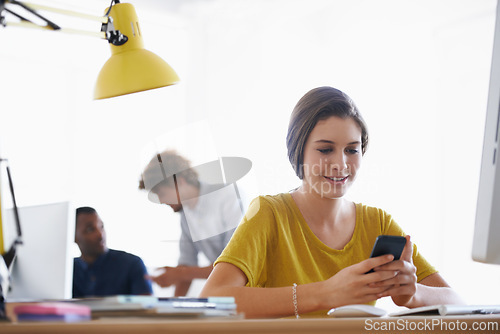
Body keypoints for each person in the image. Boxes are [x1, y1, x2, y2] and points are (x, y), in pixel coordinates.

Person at [200, 86, 464, 318]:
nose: (341, 164)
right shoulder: (268, 214)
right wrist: (325, 293)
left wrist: (413, 294)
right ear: (298, 150)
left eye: (352, 149)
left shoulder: (377, 222)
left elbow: (457, 302)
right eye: (325, 149)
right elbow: (212, 297)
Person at [139, 150, 246, 296]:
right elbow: (187, 264)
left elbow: (235, 263)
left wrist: (180, 273)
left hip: (255, 288)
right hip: (230, 291)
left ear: (179, 182)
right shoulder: (186, 214)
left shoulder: (228, 195)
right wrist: (173, 309)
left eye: (161, 194)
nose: (162, 201)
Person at [73, 206, 153, 297]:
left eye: (101, 226)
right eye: (90, 229)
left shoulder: (132, 264)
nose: (100, 235)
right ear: (73, 236)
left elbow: (148, 307)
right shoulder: (69, 270)